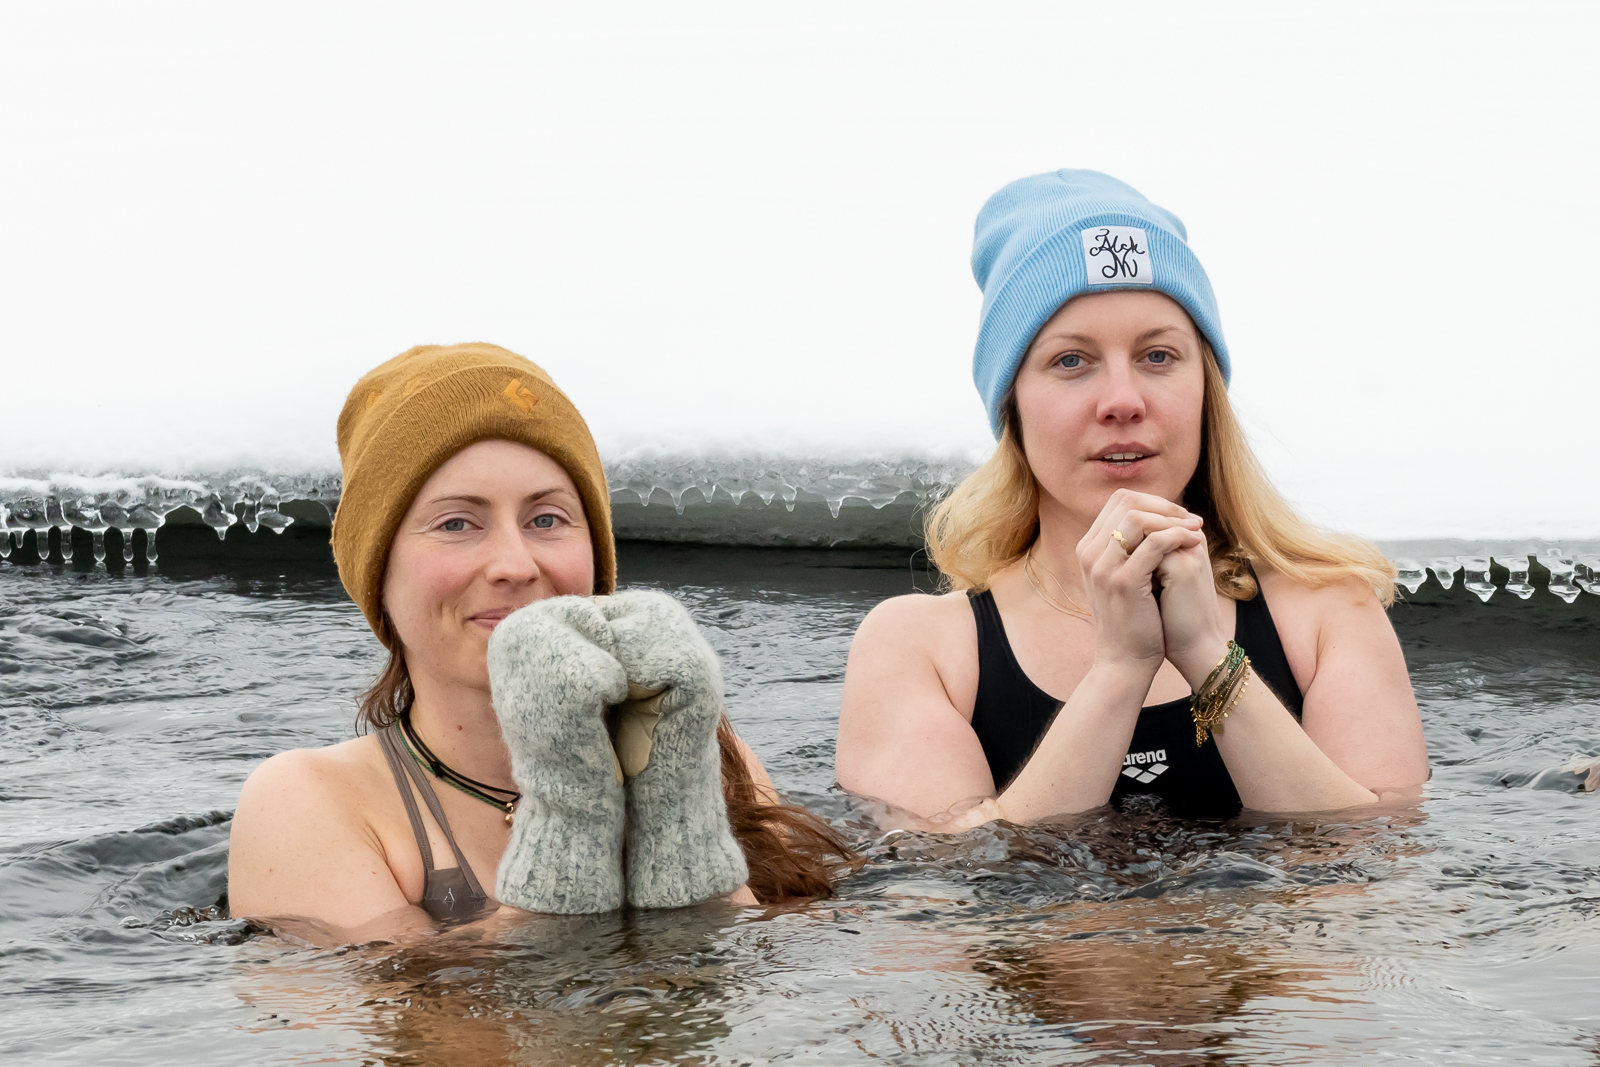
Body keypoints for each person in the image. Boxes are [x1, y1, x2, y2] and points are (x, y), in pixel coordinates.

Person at [836, 171, 1429, 826]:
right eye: (1071, 361)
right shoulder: (921, 650)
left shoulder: (1324, 610)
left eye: (1157, 356)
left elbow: (1376, 874)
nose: (1123, 400)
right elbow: (961, 895)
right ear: (1012, 404)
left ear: (1204, 387)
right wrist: (1120, 670)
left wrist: (1206, 652)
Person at [229, 343, 852, 937]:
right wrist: (571, 801)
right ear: (378, 574)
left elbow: (766, 999)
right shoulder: (307, 803)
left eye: (546, 519)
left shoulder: (707, 755)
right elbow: (435, 1034)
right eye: (456, 523)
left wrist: (675, 803)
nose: (515, 564)